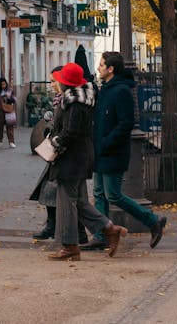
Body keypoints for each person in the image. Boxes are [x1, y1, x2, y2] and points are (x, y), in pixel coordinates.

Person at [46, 62, 127, 259]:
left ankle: (70, 246)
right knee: (80, 201)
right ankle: (109, 229)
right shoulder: (83, 100)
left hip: (71, 158)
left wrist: (55, 143)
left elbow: (71, 131)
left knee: (67, 202)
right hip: (81, 155)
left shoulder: (73, 102)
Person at [93, 52, 167, 247]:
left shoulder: (121, 91)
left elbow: (126, 123)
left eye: (101, 65)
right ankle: (101, 235)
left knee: (113, 195)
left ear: (111, 69)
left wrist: (108, 141)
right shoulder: (106, 89)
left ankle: (152, 220)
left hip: (113, 151)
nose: (98, 68)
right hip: (101, 150)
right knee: (99, 193)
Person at [0, 78, 17, 148]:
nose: (3, 86)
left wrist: (9, 98)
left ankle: (11, 142)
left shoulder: (10, 90)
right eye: (2, 84)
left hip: (8, 109)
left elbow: (14, 100)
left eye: (4, 84)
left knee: (10, 126)